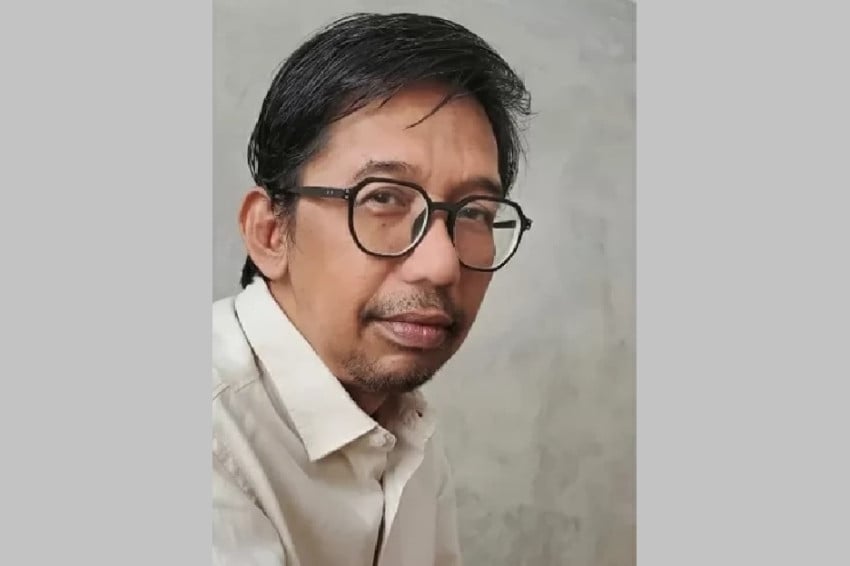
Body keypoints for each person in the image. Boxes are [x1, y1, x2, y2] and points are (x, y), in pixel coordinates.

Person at [212, 12, 533, 566]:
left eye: (475, 212)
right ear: (270, 232)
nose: (441, 265)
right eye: (383, 198)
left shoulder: (404, 426)